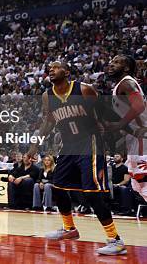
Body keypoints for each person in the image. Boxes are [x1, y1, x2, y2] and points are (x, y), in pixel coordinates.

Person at [29, 61, 126, 255]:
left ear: (66, 72)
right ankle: (69, 229)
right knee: (57, 187)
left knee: (91, 194)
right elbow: (49, 121)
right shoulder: (48, 96)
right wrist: (34, 144)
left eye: (55, 67)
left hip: (89, 142)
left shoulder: (84, 89)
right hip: (68, 145)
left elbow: (104, 113)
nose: (51, 69)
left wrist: (119, 133)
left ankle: (116, 240)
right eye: (49, 68)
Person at [107, 55, 147, 201]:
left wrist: (119, 124)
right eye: (111, 61)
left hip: (142, 137)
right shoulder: (120, 86)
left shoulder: (127, 83)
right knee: (139, 185)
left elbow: (139, 106)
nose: (111, 64)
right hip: (135, 138)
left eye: (116, 62)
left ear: (126, 68)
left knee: (143, 182)